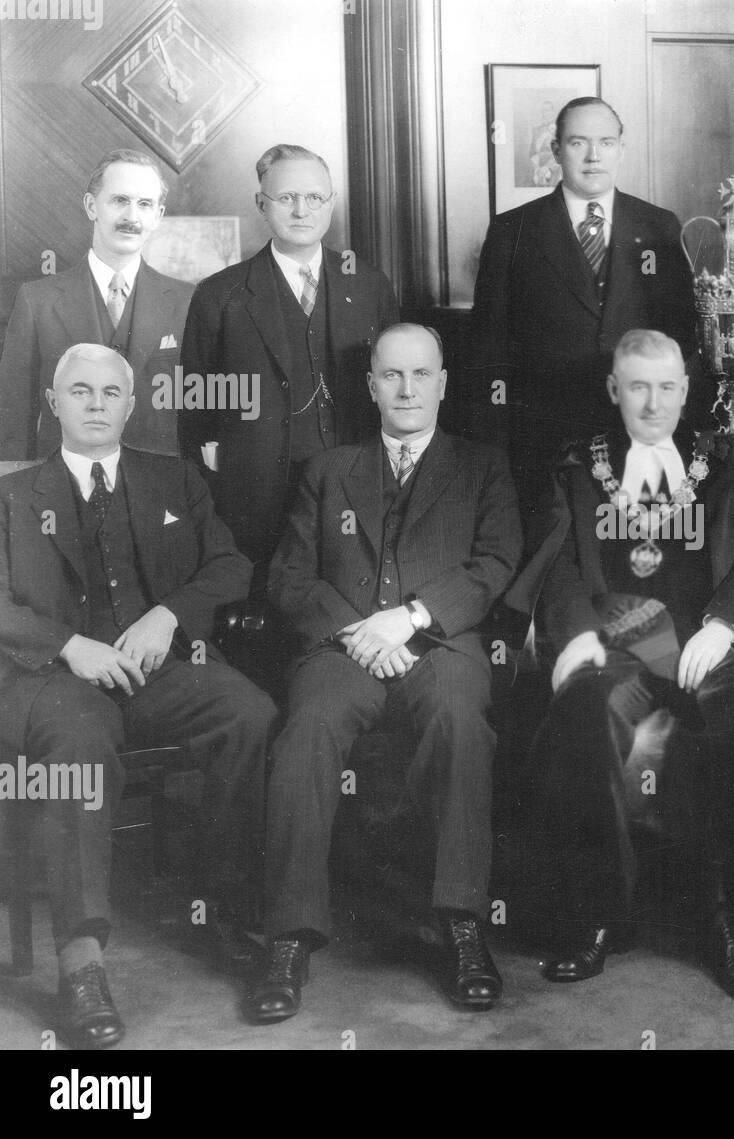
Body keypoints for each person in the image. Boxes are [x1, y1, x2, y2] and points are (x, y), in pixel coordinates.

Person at [506, 329, 734, 999]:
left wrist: (726, 623)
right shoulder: (579, 466)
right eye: (638, 386)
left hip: (699, 640)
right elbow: (553, 559)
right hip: (615, 646)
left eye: (667, 387)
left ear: (687, 391)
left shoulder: (721, 461)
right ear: (614, 389)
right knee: (586, 707)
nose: (653, 401)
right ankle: (602, 914)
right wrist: (575, 632)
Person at [0, 343, 276, 1048]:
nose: (96, 404)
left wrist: (170, 614)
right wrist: (70, 645)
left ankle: (224, 908)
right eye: (80, 392)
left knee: (249, 711)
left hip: (155, 669)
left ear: (131, 404)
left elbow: (230, 563)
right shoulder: (13, 493)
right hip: (51, 679)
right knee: (78, 742)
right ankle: (82, 961)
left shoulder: (175, 480)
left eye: (110, 393)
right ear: (53, 404)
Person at [245, 324, 522, 1022]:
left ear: (443, 382)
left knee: (461, 720)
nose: (406, 389)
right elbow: (288, 575)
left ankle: (461, 924)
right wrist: (356, 629)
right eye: (391, 376)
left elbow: (495, 564)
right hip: (343, 648)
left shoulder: (482, 465)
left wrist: (411, 618)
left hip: (441, 647)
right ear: (370, 385)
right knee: (305, 728)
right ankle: (288, 936)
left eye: (420, 375)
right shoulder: (328, 468)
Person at [180, 143, 400, 581]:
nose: (302, 210)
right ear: (261, 204)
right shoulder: (219, 295)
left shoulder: (370, 284)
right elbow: (194, 419)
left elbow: (397, 388)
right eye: (286, 198)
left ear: (331, 203)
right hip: (257, 502)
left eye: (314, 197)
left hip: (358, 491)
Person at [468, 98, 698, 504]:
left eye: (606, 142)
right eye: (578, 143)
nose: (594, 156)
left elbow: (682, 336)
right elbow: (489, 348)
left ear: (621, 149)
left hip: (639, 437)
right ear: (556, 150)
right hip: (544, 443)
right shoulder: (513, 230)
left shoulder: (660, 226)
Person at [0, 150, 193, 459]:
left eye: (144, 204)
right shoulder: (37, 300)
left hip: (159, 490)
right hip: (62, 493)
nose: (132, 217)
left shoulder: (188, 302)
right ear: (92, 206)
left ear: (157, 216)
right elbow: (13, 419)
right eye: (119, 201)